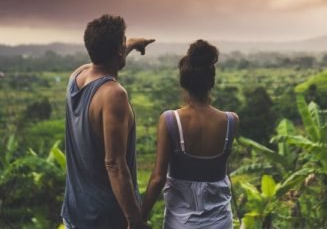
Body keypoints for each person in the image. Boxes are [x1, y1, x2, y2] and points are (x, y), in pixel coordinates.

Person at [61, 14, 154, 229]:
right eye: (123, 42)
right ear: (118, 51)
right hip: (106, 218)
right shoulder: (113, 95)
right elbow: (114, 164)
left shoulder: (77, 76)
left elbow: (105, 60)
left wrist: (131, 44)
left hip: (76, 212)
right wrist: (134, 219)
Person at [141, 39, 239, 228]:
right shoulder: (230, 121)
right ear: (211, 82)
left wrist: (139, 217)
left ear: (183, 82)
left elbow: (158, 178)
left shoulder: (170, 121)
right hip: (221, 221)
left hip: (180, 222)